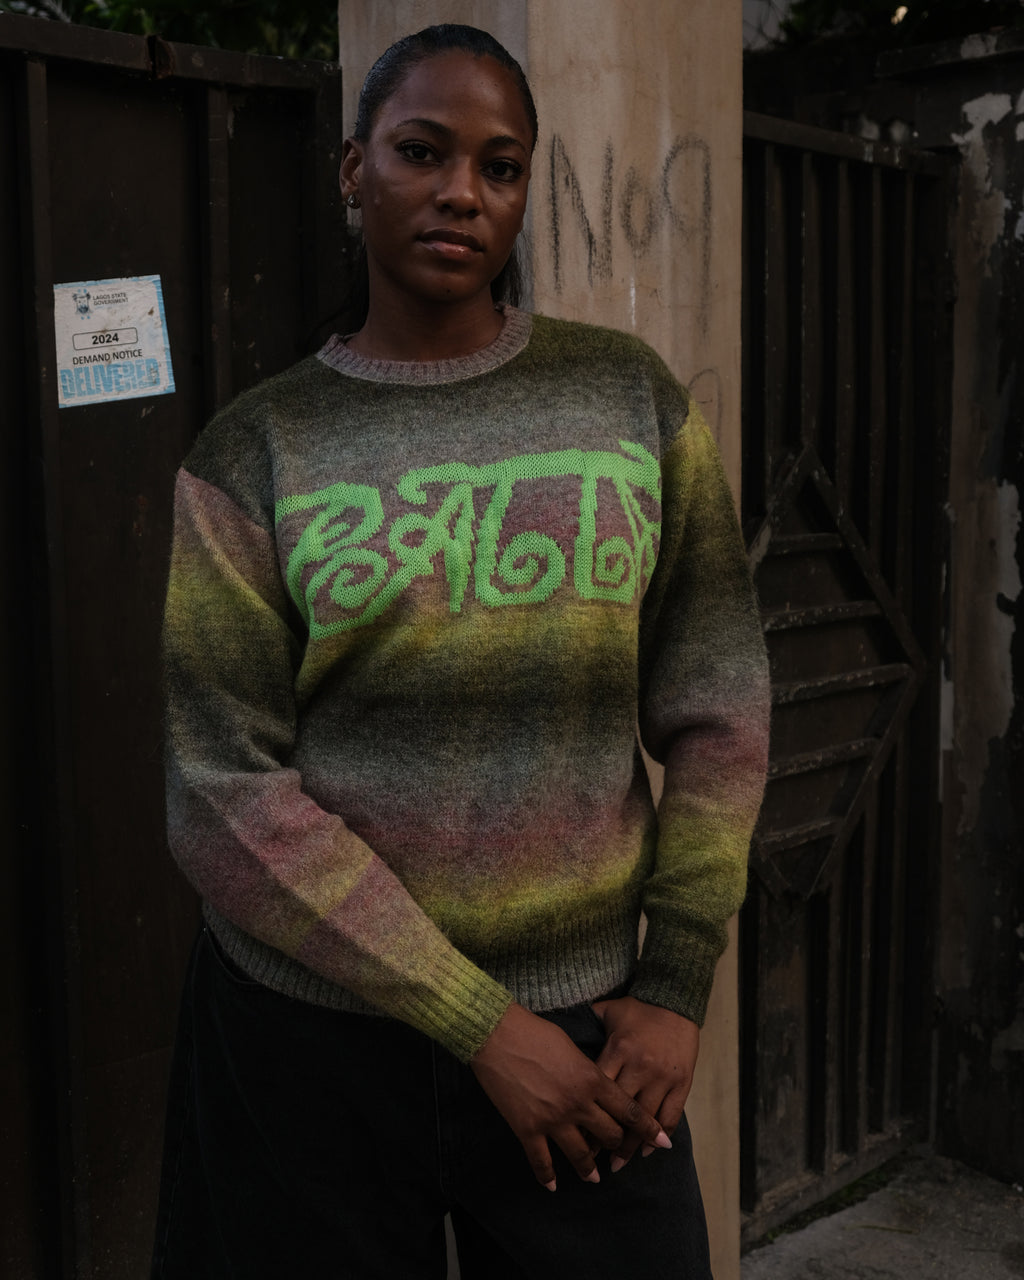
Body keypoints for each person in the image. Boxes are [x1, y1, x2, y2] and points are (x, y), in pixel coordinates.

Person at [152, 23, 770, 1280]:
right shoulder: (254, 450)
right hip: (308, 1041)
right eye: (421, 152)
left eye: (500, 167)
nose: (461, 192)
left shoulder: (628, 400)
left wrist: (676, 979)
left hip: (591, 1035)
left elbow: (719, 703)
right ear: (353, 169)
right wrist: (480, 1024)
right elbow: (221, 792)